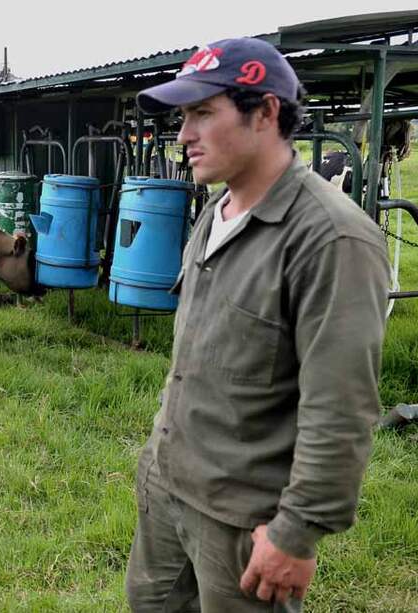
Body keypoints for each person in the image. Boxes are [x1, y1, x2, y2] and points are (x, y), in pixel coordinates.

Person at [125, 37, 390, 612]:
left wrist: (296, 533)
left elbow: (341, 406)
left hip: (243, 521)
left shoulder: (330, 238)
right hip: (169, 487)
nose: (182, 136)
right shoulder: (216, 212)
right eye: (182, 117)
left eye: (202, 113)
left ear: (266, 112)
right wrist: (155, 470)